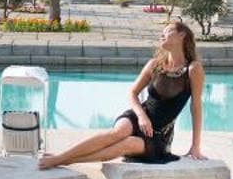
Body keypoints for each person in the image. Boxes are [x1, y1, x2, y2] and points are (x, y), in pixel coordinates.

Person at [36, 20, 204, 169]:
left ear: (182, 35)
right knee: (117, 133)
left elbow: (195, 107)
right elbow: (132, 93)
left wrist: (195, 146)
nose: (162, 36)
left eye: (167, 31)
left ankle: (63, 160)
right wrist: (141, 116)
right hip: (138, 117)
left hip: (158, 135)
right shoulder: (155, 65)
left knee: (126, 144)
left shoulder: (193, 69)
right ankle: (60, 158)